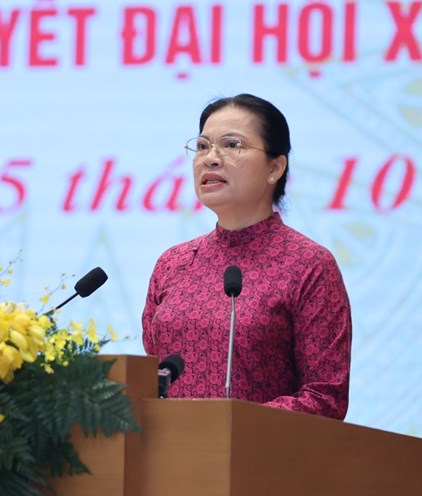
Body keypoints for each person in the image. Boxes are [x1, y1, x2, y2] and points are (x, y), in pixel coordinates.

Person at [142, 94, 352, 420]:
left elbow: (325, 399)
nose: (211, 159)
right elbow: (151, 383)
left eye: (232, 145)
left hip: (261, 451)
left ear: (275, 168)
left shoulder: (309, 266)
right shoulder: (173, 264)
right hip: (172, 450)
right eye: (202, 146)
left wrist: (233, 425)